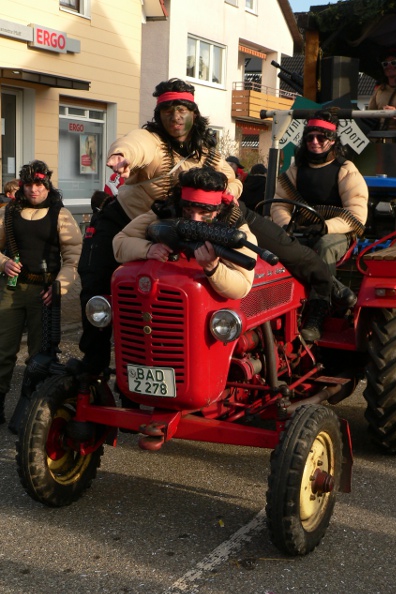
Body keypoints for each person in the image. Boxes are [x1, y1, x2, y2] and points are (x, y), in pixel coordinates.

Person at [78, 78, 241, 377]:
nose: (175, 117)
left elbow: (230, 178)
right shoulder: (152, 140)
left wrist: (229, 191)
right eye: (167, 111)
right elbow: (135, 144)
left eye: (182, 110)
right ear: (159, 115)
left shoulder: (206, 152)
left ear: (193, 113)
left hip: (171, 225)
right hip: (125, 219)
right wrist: (122, 155)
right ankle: (94, 364)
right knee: (97, 284)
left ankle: (167, 366)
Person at [271, 110, 368, 339]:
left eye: (321, 137)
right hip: (300, 230)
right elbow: (279, 204)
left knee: (324, 246)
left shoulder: (346, 170)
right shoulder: (295, 170)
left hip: (338, 233)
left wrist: (326, 228)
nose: (314, 142)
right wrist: (285, 226)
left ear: (332, 140)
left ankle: (319, 310)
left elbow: (356, 215)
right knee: (271, 244)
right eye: (310, 137)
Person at [0, 160, 82, 426]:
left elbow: (72, 257)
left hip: (45, 292)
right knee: (3, 350)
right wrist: (3, 263)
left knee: (39, 356)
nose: (33, 190)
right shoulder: (8, 212)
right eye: (28, 184)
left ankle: (33, 410)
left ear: (47, 185)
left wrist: (59, 287)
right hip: (11, 290)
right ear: (21, 186)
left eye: (38, 184)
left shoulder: (61, 214)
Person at [113, 167, 256, 300]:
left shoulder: (235, 228)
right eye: (189, 211)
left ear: (218, 211)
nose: (195, 219)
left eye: (204, 213)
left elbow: (242, 287)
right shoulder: (168, 211)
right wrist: (148, 249)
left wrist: (213, 268)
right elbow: (120, 241)